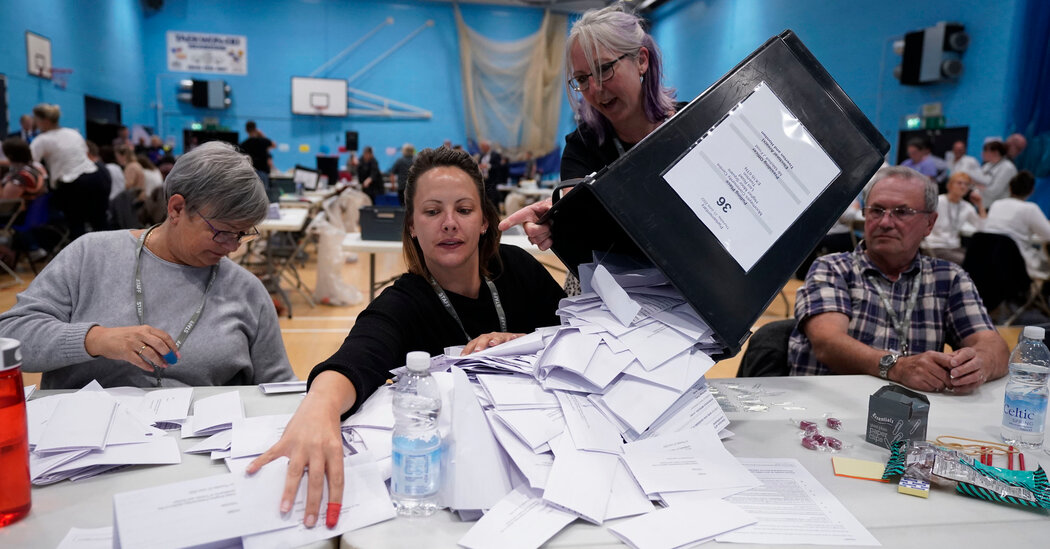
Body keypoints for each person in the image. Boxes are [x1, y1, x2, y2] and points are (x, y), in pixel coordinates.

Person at [248, 147, 565, 528]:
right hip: (453, 488)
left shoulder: (519, 270)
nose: (449, 223)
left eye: (464, 210)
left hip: (548, 461)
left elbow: (578, 336)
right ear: (412, 225)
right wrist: (321, 405)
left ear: (484, 220)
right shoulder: (404, 302)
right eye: (432, 212)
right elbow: (359, 355)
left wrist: (523, 343)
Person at [0, 141, 296, 389]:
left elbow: (278, 385)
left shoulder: (246, 290)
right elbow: (11, 338)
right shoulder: (91, 255)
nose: (232, 247)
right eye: (222, 232)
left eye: (242, 234)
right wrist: (96, 339)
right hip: (86, 444)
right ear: (177, 208)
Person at [499, 3, 679, 295]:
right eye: (582, 79)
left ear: (641, 61)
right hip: (606, 294)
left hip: (689, 296)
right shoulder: (582, 146)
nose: (594, 89)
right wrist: (554, 220)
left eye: (604, 69)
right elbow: (578, 214)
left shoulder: (694, 127)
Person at [788, 166, 1008, 394]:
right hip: (825, 411)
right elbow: (828, 344)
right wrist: (897, 367)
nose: (885, 222)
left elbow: (995, 347)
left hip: (906, 421)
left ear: (930, 224)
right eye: (877, 210)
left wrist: (977, 365)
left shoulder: (949, 279)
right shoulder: (833, 268)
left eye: (902, 212)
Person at [29, 103, 111, 238]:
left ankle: (81, 258)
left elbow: (30, 162)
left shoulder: (42, 140)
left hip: (73, 184)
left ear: (45, 121)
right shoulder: (73, 133)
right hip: (97, 177)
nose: (35, 123)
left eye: (36, 120)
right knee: (101, 224)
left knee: (77, 226)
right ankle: (112, 256)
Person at [982, 171, 1050, 280]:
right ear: (1031, 191)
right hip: (1017, 264)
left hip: (988, 262)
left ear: (1010, 188)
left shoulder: (996, 205)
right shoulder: (1030, 209)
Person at [924, 171, 986, 264]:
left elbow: (982, 228)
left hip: (954, 247)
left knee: (983, 258)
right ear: (950, 185)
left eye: (966, 184)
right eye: (959, 183)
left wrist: (980, 205)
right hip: (935, 245)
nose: (963, 186)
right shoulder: (938, 201)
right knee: (967, 261)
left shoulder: (967, 206)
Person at [970, 140, 1017, 206]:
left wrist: (977, 185)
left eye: (986, 151)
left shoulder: (1007, 168)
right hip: (983, 205)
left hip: (999, 206)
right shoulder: (987, 165)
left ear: (996, 152)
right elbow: (974, 182)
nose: (982, 153)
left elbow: (994, 191)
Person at [239, 121, 275, 185]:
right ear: (255, 129)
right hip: (262, 172)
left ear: (246, 130)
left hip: (250, 173)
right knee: (263, 193)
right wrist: (262, 135)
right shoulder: (263, 141)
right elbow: (274, 145)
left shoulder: (243, 144)